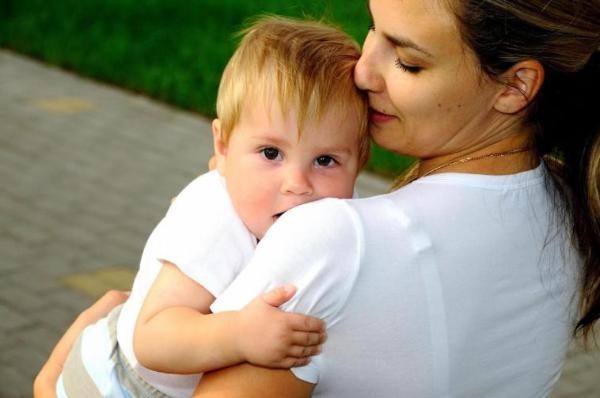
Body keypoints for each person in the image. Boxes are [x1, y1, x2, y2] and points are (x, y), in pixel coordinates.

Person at [36, 0, 600, 397]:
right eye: (373, 29)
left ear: (515, 86)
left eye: (407, 60)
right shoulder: (566, 213)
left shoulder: (332, 242)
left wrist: (48, 385)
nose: (363, 70)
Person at [52, 16, 370, 398]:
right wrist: (239, 335)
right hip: (119, 384)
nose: (297, 184)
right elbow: (152, 338)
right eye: (271, 153)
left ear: (359, 164)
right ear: (222, 147)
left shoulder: (310, 223)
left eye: (326, 161)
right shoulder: (216, 222)